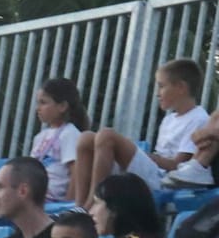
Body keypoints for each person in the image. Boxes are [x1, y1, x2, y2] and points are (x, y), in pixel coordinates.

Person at [72, 57, 212, 204]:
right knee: (86, 139)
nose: (157, 93)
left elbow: (178, 166)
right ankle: (79, 205)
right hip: (154, 172)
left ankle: (93, 203)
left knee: (107, 136)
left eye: (161, 86)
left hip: (166, 180)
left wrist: (147, 156)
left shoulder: (198, 119)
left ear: (181, 87)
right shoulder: (169, 119)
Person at [0, 77, 89, 222]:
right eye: (38, 103)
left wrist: (68, 203)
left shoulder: (70, 134)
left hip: (48, 195)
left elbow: (75, 173)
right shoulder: (40, 137)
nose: (38, 108)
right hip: (31, 188)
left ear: (62, 106)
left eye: (43, 102)